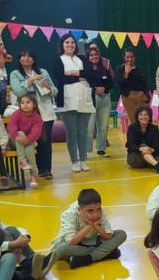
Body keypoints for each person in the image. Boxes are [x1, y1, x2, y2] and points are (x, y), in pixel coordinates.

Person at [49, 188, 127, 269]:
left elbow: (109, 236)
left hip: (92, 242)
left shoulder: (100, 210)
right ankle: (105, 253)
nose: (96, 215)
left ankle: (87, 258)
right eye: (90, 211)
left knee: (121, 234)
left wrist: (97, 226)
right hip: (74, 245)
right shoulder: (68, 214)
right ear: (80, 210)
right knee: (61, 249)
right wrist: (88, 226)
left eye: (98, 209)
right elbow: (72, 241)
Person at [10, 50, 57, 179]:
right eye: (23, 56)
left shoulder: (43, 72)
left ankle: (45, 169)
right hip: (27, 114)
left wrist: (48, 87)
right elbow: (19, 92)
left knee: (45, 141)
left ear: (34, 59)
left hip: (45, 110)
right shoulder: (15, 74)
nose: (26, 58)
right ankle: (33, 170)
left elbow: (55, 91)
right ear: (19, 59)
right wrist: (31, 80)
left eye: (30, 56)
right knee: (32, 140)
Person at [53, 34, 94, 172]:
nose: (70, 45)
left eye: (72, 42)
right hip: (67, 100)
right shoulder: (58, 60)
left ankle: (83, 159)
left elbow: (90, 74)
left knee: (83, 132)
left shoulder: (82, 59)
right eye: (67, 42)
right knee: (72, 132)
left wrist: (72, 72)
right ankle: (74, 160)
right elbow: (61, 77)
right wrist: (80, 77)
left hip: (84, 99)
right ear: (62, 45)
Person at [7, 94, 43, 188]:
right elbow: (11, 126)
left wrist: (27, 140)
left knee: (29, 150)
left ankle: (33, 175)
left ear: (34, 104)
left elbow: (36, 133)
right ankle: (22, 159)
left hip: (29, 142)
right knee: (21, 133)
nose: (25, 105)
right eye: (22, 103)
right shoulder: (17, 114)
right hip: (14, 141)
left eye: (28, 102)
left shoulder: (37, 118)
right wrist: (18, 137)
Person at [84, 46, 114, 157]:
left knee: (103, 126)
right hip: (90, 100)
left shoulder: (105, 70)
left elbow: (111, 83)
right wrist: (95, 89)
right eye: (91, 55)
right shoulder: (85, 71)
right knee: (89, 127)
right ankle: (86, 151)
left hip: (105, 100)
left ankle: (101, 149)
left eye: (96, 55)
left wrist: (104, 89)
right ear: (88, 57)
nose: (94, 57)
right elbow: (84, 84)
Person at [127, 106, 159, 171]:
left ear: (149, 117)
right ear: (137, 117)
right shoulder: (132, 128)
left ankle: (157, 165)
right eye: (141, 115)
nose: (143, 117)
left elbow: (157, 146)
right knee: (143, 146)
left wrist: (150, 150)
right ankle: (157, 166)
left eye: (146, 115)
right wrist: (141, 149)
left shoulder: (154, 128)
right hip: (136, 159)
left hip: (151, 156)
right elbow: (130, 145)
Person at [117, 47, 150, 126]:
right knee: (133, 121)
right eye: (127, 57)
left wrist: (146, 97)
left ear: (134, 57)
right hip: (128, 98)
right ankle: (134, 138)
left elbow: (144, 84)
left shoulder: (139, 69)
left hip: (141, 98)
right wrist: (126, 73)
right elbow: (119, 83)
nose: (129, 59)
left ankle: (144, 138)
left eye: (131, 57)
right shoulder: (120, 69)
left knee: (143, 120)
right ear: (124, 57)